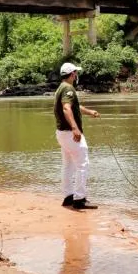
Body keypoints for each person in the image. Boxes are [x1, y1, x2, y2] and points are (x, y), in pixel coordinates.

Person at [54, 62, 99, 210]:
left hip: (62, 133)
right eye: (75, 73)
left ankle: (68, 197)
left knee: (68, 165)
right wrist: (75, 128)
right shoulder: (68, 88)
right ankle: (80, 199)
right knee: (83, 164)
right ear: (72, 74)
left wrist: (89, 112)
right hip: (69, 133)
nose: (76, 75)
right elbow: (67, 108)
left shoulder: (61, 87)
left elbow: (74, 106)